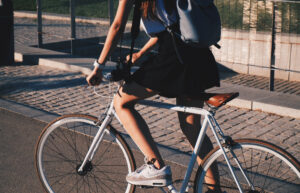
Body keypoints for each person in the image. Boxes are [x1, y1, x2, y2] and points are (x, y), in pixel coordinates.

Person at [87, 0, 221, 192]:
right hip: (198, 55)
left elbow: (117, 26)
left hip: (175, 58)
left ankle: (155, 166)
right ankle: (214, 189)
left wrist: (98, 66)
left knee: (121, 102)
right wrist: (140, 54)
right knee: (191, 127)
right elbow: (171, 27)